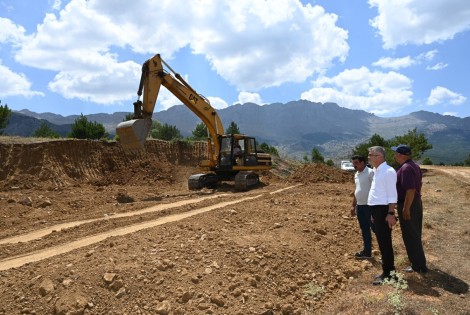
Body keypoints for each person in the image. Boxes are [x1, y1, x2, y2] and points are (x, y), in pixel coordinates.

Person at [392, 144, 428, 273]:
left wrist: (406, 208)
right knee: (414, 233)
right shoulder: (413, 165)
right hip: (415, 202)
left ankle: (418, 265)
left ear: (401, 155)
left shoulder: (406, 168)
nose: (395, 155)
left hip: (409, 203)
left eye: (396, 153)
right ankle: (418, 263)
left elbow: (410, 190)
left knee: (410, 235)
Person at [367, 146, 398, 285]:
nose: (368, 157)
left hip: (383, 210)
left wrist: (390, 213)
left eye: (370, 155)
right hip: (377, 211)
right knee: (382, 242)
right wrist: (373, 213)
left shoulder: (388, 171)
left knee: (385, 243)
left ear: (379, 156)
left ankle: (390, 274)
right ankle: (386, 271)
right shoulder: (376, 170)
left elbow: (392, 195)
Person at [350, 155, 375, 259]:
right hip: (360, 207)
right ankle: (367, 252)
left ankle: (385, 253)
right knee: (364, 230)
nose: (354, 165)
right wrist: (353, 206)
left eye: (356, 163)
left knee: (377, 229)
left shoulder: (370, 173)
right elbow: (357, 191)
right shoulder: (356, 174)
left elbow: (375, 190)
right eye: (353, 163)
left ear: (363, 162)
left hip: (370, 207)